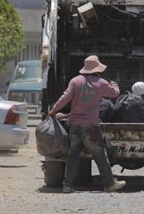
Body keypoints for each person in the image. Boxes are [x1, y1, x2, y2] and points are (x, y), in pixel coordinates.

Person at [48, 55, 126, 193]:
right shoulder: (101, 83)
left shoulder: (75, 81)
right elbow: (115, 94)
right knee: (100, 155)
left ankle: (68, 185)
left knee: (72, 156)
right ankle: (109, 184)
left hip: (74, 125)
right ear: (97, 69)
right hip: (90, 127)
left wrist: (53, 111)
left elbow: (65, 98)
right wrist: (114, 84)